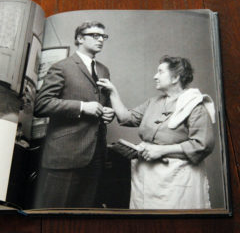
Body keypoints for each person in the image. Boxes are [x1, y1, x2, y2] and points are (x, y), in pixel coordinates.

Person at [97, 55, 215, 209]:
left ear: (175, 78)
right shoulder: (154, 102)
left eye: (160, 72)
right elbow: (127, 118)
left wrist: (161, 150)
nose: (155, 76)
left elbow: (202, 144)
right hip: (146, 177)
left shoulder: (195, 106)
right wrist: (113, 92)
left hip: (176, 178)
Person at [33, 21, 115, 208]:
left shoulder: (103, 70)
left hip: (96, 156)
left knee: (82, 215)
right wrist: (81, 107)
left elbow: (102, 102)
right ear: (79, 38)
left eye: (103, 36)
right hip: (65, 155)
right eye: (95, 35)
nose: (100, 39)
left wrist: (108, 112)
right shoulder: (61, 67)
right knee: (55, 213)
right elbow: (41, 104)